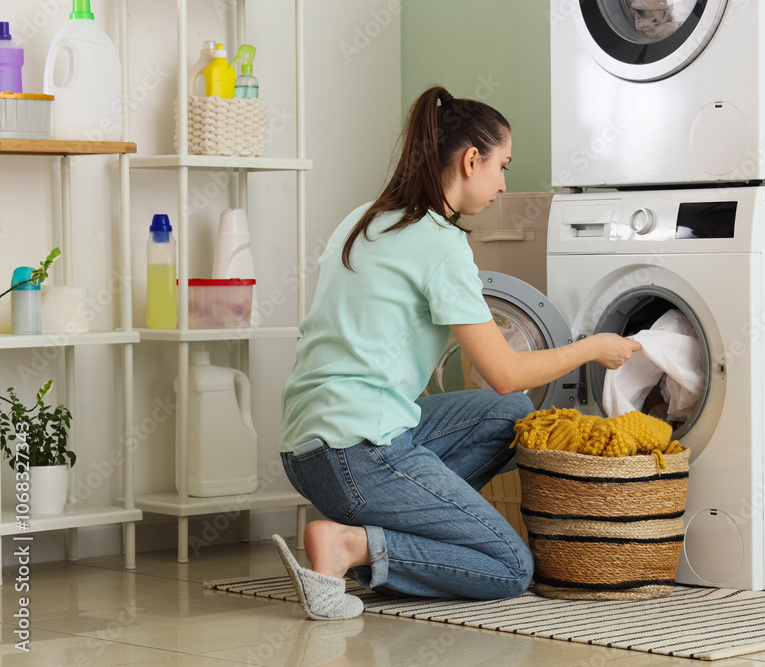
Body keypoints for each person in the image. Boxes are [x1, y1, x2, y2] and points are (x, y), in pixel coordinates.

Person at [273, 85, 641, 620]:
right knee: (510, 566)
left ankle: (380, 538)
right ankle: (351, 547)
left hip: (306, 451)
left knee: (509, 416)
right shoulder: (441, 244)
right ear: (472, 160)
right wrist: (592, 347)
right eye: (502, 166)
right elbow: (508, 372)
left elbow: (489, 383)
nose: (503, 184)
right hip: (359, 454)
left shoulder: (366, 219)